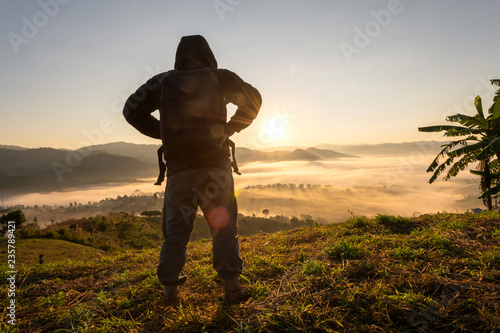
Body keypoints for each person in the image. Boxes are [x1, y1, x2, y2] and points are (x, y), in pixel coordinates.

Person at [123, 35, 262, 306]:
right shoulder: (220, 77)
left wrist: (164, 135)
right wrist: (229, 128)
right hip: (215, 171)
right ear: (208, 54)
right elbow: (253, 100)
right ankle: (232, 289)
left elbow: (131, 111)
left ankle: (170, 295)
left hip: (179, 172)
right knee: (224, 230)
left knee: (175, 235)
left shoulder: (162, 81)